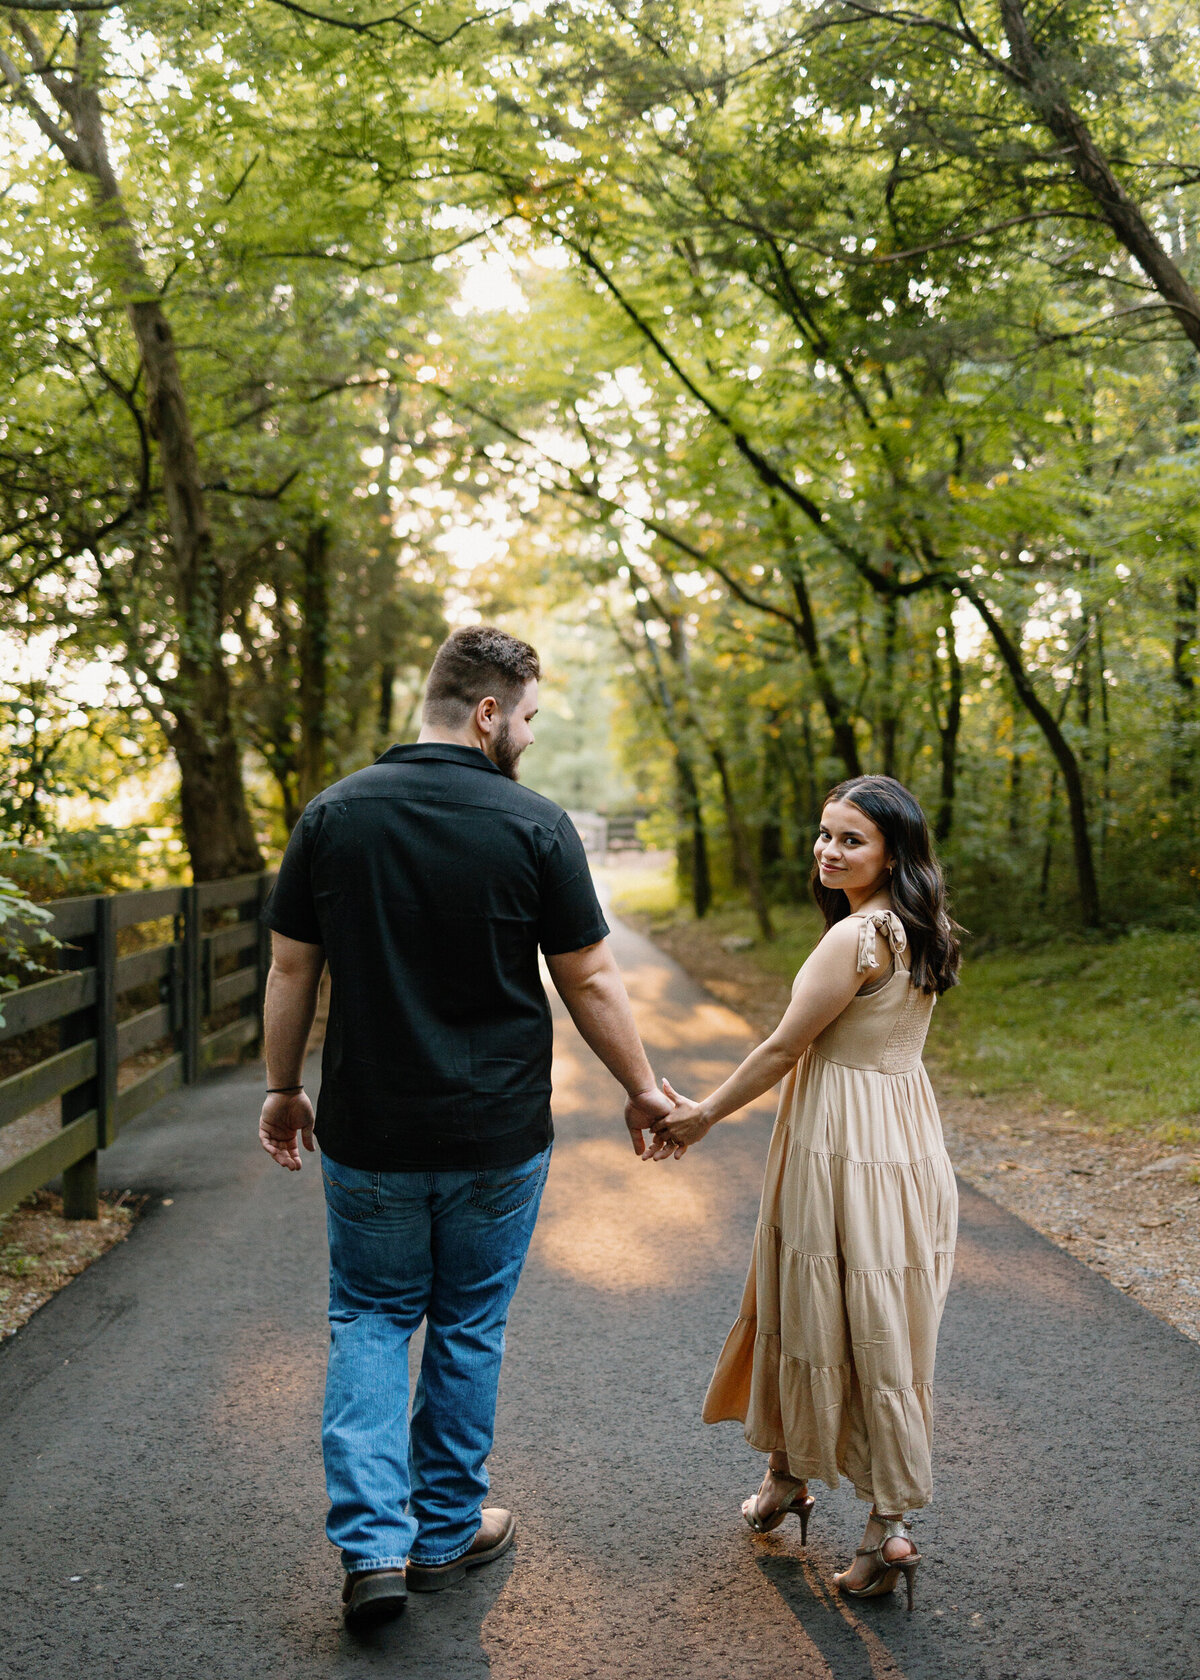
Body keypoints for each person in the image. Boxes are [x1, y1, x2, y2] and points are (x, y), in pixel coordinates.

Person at [257, 625, 672, 1630]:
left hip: (371, 1130)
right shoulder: (535, 825)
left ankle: (373, 1548)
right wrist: (644, 1087)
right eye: (526, 716)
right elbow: (589, 977)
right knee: (468, 1324)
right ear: (487, 712)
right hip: (495, 1135)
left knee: (370, 1316)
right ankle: (444, 1530)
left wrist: (283, 1088)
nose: (528, 735)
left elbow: (289, 970)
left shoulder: (331, 816)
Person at [649, 775, 961, 1611]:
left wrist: (702, 1114)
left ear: (893, 850)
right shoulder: (921, 930)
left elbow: (786, 1047)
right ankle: (835, 1500)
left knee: (813, 1303)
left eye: (850, 839)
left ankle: (852, 1508)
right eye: (824, 833)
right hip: (904, 1142)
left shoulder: (857, 937)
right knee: (879, 1319)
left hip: (839, 1146)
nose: (828, 850)